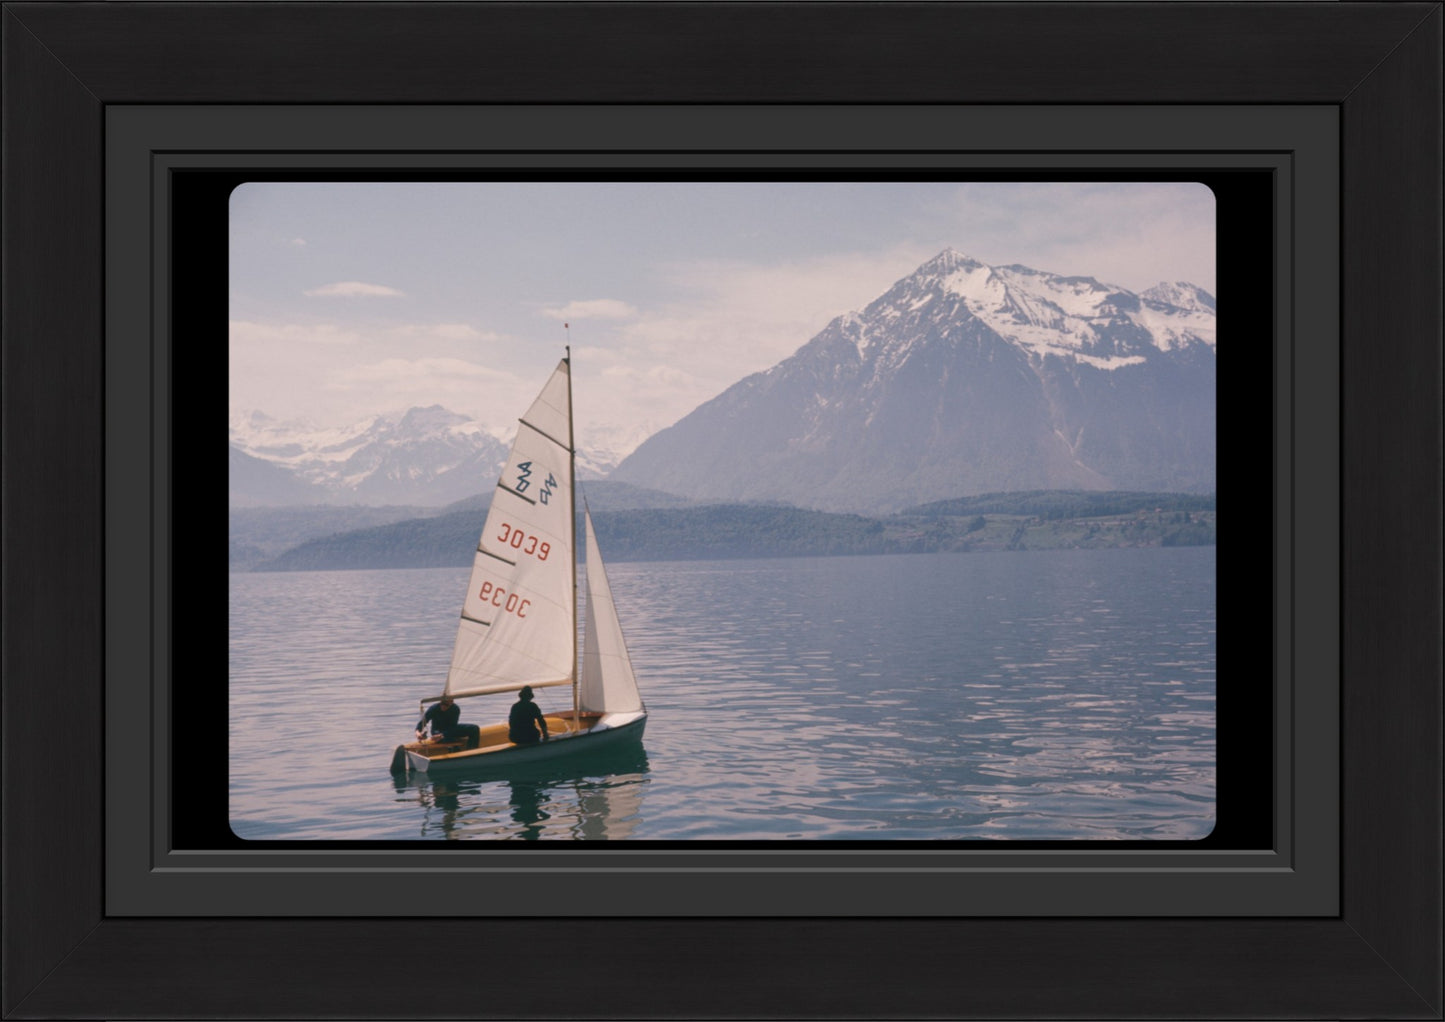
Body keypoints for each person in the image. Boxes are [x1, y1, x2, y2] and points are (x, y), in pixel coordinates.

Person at [415, 695, 481, 749]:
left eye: (446, 705)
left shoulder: (455, 709)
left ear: (451, 703)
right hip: (437, 731)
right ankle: (453, 747)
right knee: (446, 739)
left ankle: (472, 749)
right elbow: (423, 722)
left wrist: (442, 735)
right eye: (442, 704)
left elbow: (453, 727)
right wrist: (418, 732)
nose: (443, 706)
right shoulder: (434, 708)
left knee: (474, 728)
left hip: (450, 730)